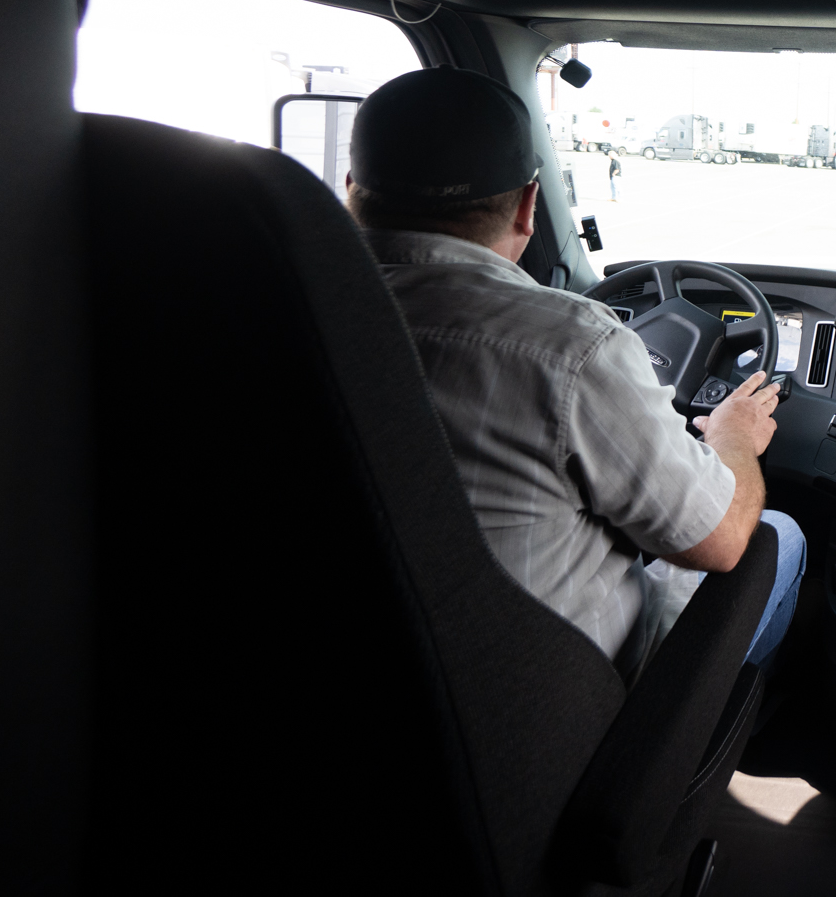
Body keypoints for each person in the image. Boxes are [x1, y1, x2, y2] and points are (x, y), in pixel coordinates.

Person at [343, 66, 805, 680]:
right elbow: (718, 542)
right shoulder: (572, 344)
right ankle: (686, 753)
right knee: (778, 533)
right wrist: (733, 440)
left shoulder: (280, 316)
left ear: (350, 189)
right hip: (545, 718)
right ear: (530, 207)